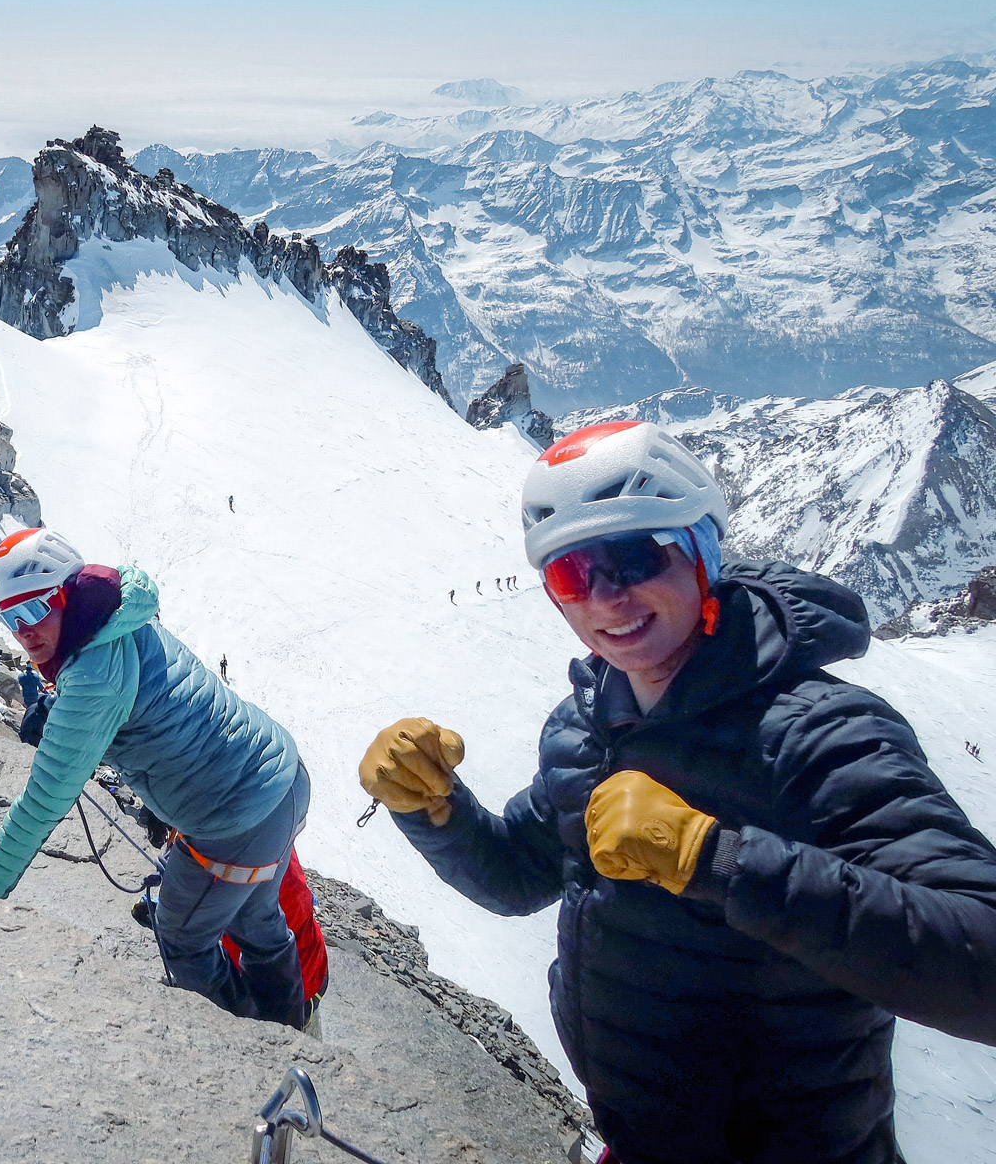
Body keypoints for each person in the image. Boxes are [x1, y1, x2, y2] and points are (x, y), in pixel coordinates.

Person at [360, 420, 996, 1164]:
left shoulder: (822, 736)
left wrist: (718, 860)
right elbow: (520, 877)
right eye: (571, 576)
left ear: (704, 550)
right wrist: (435, 808)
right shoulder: (589, 722)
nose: (606, 599)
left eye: (634, 556)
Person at [0, 527, 313, 1029]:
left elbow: (44, 801)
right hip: (280, 778)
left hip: (234, 818)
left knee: (183, 936)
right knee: (255, 918)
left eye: (34, 610)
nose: (22, 631)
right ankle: (291, 1025)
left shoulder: (92, 676)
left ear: (67, 594)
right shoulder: (118, 609)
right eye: (9, 617)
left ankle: (248, 1047)